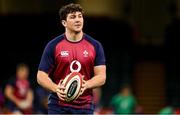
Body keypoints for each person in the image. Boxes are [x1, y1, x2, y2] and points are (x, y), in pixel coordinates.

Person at [37, 3, 106, 114]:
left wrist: (85, 85)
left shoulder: (95, 45)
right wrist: (56, 88)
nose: (78, 20)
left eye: (80, 16)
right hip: (58, 106)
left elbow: (102, 76)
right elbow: (41, 76)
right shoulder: (53, 45)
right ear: (64, 22)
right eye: (73, 17)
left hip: (85, 106)